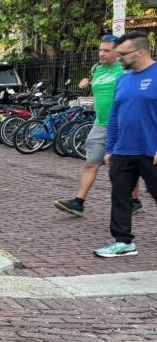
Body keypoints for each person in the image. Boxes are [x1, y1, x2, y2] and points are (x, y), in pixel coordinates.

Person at [55, 34, 141, 217]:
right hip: (100, 124)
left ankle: (134, 201)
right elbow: (103, 87)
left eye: (106, 50)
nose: (101, 53)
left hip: (122, 126)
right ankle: (78, 203)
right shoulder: (97, 69)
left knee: (125, 166)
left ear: (117, 52)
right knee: (90, 164)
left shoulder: (125, 70)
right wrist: (88, 82)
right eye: (100, 49)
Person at [94, 31, 157, 258]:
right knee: (120, 196)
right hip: (122, 150)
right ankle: (123, 242)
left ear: (139, 52)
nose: (118, 57)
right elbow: (114, 116)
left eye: (123, 54)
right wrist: (110, 148)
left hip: (151, 150)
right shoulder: (123, 79)